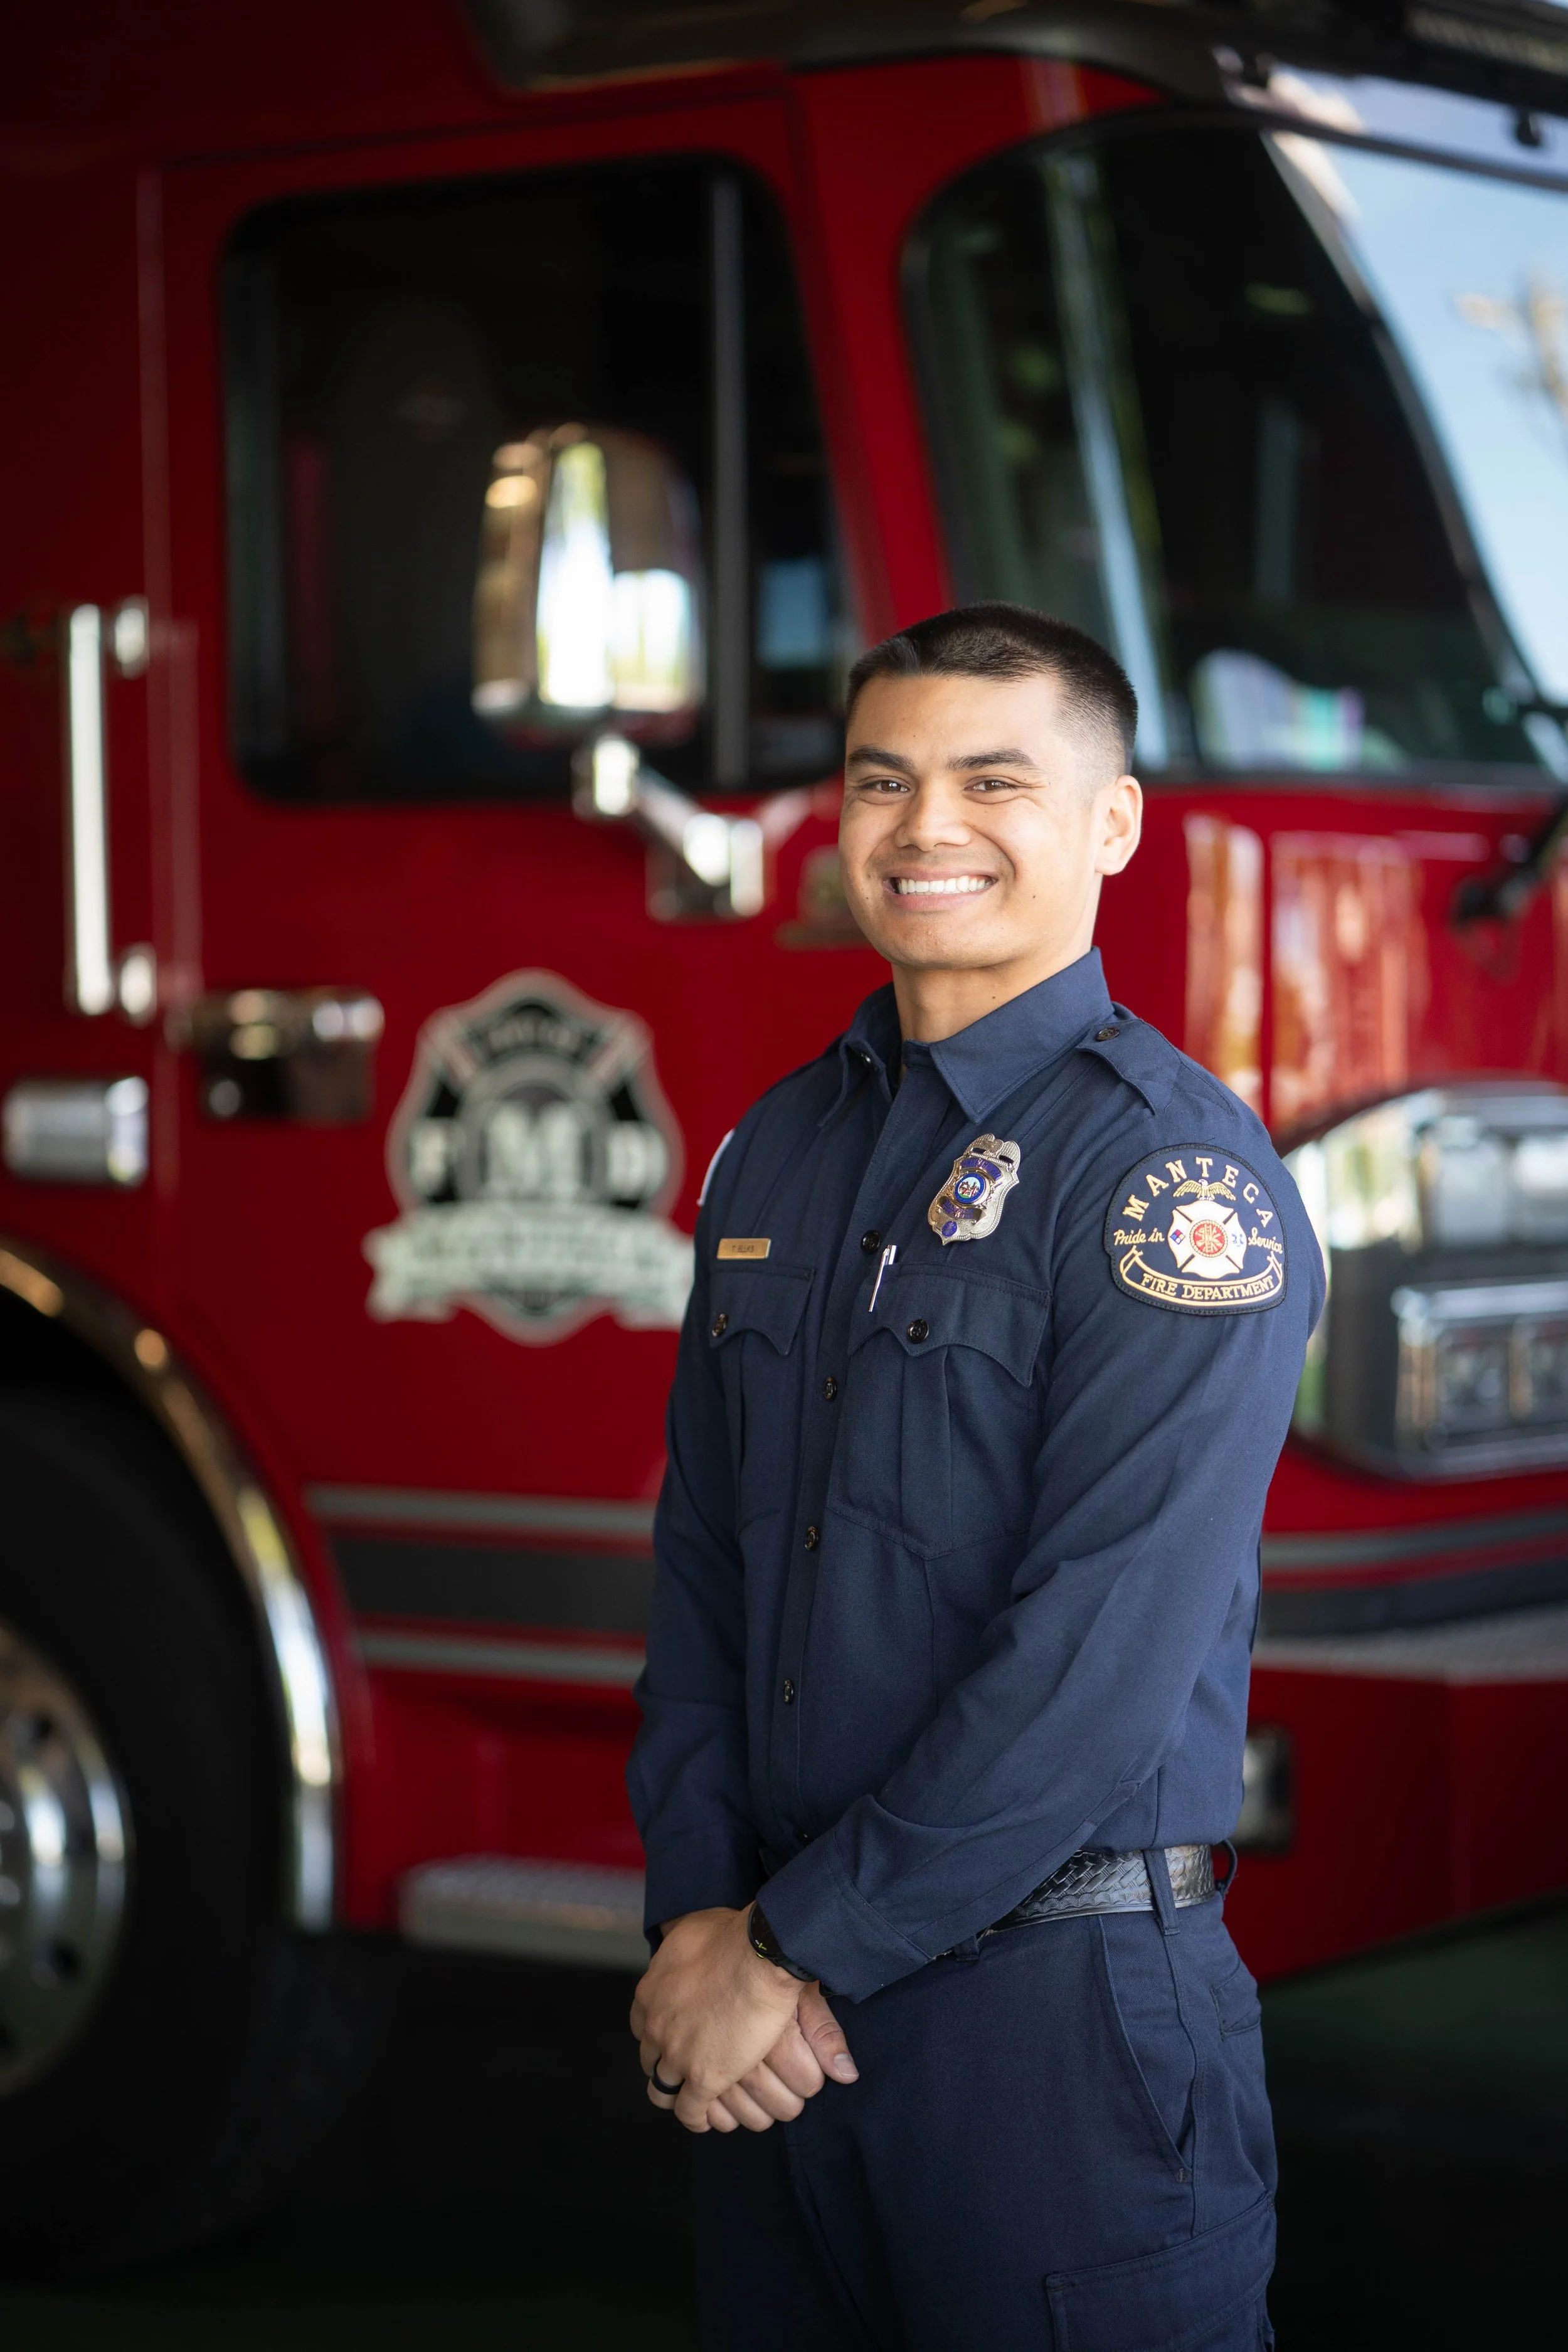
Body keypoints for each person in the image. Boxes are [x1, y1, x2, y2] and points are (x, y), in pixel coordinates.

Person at [627, 602, 1322, 2350]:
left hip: (1049, 2034)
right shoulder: (777, 1142)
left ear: (1111, 825)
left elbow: (1094, 1657)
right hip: (776, 2038)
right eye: (883, 781)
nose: (924, 827)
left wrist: (789, 1951)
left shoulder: (1168, 1181)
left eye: (993, 780)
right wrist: (702, 1920)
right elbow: (706, 1568)